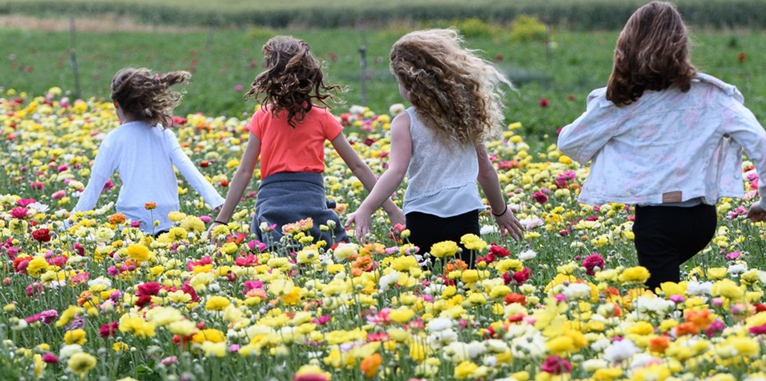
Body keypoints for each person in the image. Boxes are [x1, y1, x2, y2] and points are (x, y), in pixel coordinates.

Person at [557, 1, 766, 292]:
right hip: (703, 219)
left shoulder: (622, 102)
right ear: (681, 44)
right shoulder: (712, 96)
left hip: (657, 222)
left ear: (625, 47)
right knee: (670, 298)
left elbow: (569, 143)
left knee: (662, 310)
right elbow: (764, 147)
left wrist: (607, 120)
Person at [346, 29, 523, 260]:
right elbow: (486, 172)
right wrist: (501, 211)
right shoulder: (465, 117)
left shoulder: (405, 122)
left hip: (422, 216)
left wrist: (366, 208)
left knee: (427, 286)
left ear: (410, 84)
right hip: (465, 213)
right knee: (464, 284)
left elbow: (396, 172)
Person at [212, 36, 404, 248]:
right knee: (332, 251)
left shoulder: (262, 116)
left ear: (272, 75)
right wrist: (392, 210)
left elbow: (244, 172)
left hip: (271, 211)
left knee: (273, 257)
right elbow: (358, 167)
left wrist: (222, 220)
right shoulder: (322, 118)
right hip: (312, 209)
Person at [71, 67, 225, 235]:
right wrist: (216, 201)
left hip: (132, 221)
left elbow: (94, 188)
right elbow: (189, 169)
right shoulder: (164, 134)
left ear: (117, 104)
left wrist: (69, 224)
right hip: (168, 218)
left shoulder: (114, 139)